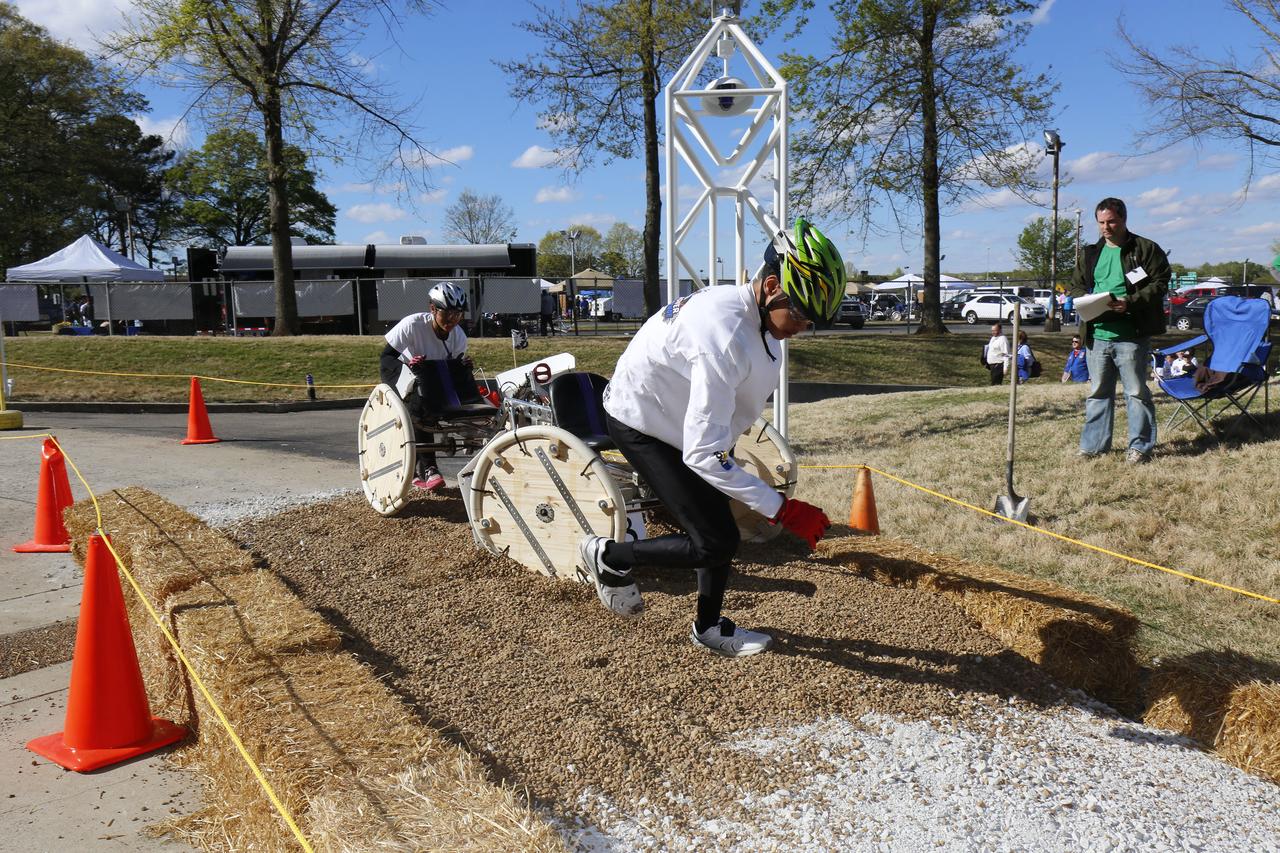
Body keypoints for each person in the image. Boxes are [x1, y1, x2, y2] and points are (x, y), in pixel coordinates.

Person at [578, 218, 842, 658]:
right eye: (799, 314)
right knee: (715, 540)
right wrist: (782, 508)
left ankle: (709, 627)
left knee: (717, 528)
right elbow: (703, 453)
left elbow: (723, 415)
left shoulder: (754, 318)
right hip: (643, 422)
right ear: (771, 286)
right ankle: (610, 558)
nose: (802, 328)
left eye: (810, 321)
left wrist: (733, 460)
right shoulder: (724, 336)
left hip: (681, 417)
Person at [1069, 197, 1170, 463]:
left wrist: (1130, 302)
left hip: (1132, 336)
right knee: (1098, 393)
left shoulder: (1145, 249)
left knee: (1136, 393)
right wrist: (1085, 299)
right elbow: (1076, 286)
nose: (1106, 227)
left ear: (1124, 219)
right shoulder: (1090, 253)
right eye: (1101, 222)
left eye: (1111, 221)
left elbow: (1160, 283)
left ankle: (1140, 447)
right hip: (1097, 336)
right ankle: (1093, 447)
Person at [379, 281, 471, 492]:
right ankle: (429, 467)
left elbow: (452, 373)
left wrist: (463, 367)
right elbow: (387, 358)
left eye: (457, 314)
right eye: (447, 313)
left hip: (433, 377)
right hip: (402, 371)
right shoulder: (412, 325)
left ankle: (422, 468)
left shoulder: (459, 336)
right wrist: (409, 368)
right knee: (420, 399)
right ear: (433, 309)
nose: (452, 320)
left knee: (444, 396)